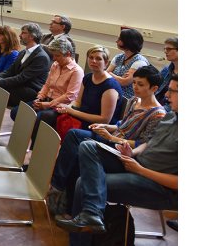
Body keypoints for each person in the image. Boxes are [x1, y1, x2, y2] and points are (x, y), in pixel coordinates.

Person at [55, 75, 178, 244]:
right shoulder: (171, 116)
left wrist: (140, 169)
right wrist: (132, 153)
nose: (167, 95)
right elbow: (149, 143)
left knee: (84, 184)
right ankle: (91, 214)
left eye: (172, 91)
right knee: (88, 146)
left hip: (158, 185)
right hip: (137, 164)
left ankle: (87, 222)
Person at [48, 65, 167, 216]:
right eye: (135, 83)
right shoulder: (134, 101)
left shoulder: (158, 114)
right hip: (112, 140)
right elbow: (121, 125)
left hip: (124, 152)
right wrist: (106, 126)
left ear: (154, 88)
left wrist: (111, 137)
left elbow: (143, 144)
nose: (135, 87)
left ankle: (63, 193)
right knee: (74, 141)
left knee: (77, 145)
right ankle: (64, 194)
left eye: (141, 84)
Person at [9, 38, 84, 144]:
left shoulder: (77, 71)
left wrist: (48, 104)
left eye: (57, 55)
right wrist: (39, 97)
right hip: (46, 100)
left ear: (67, 54)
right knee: (16, 112)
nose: (54, 58)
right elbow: (47, 85)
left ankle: (34, 148)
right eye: (53, 55)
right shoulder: (55, 65)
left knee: (40, 118)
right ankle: (23, 141)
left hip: (61, 107)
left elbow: (70, 96)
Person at [0, 23, 51, 109]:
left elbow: (22, 77)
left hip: (30, 90)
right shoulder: (23, 52)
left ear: (32, 36)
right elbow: (10, 72)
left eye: (23, 33)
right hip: (18, 85)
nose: (19, 35)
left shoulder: (41, 57)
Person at [55, 45, 124, 130]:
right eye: (91, 57)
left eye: (98, 59)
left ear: (106, 63)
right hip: (83, 118)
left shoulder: (110, 86)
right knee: (51, 115)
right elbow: (77, 102)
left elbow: (105, 119)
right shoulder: (88, 77)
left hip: (98, 128)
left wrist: (72, 111)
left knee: (71, 131)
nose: (93, 61)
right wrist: (68, 107)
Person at [106, 28, 149, 99]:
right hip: (113, 94)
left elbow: (124, 82)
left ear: (128, 42)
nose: (116, 41)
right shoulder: (118, 57)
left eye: (120, 39)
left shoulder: (140, 62)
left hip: (127, 99)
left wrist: (111, 74)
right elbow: (105, 75)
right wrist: (119, 78)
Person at [155, 37, 177, 111]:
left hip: (170, 111)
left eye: (169, 49)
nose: (165, 51)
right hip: (157, 106)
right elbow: (154, 88)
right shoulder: (166, 70)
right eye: (164, 49)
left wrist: (156, 109)